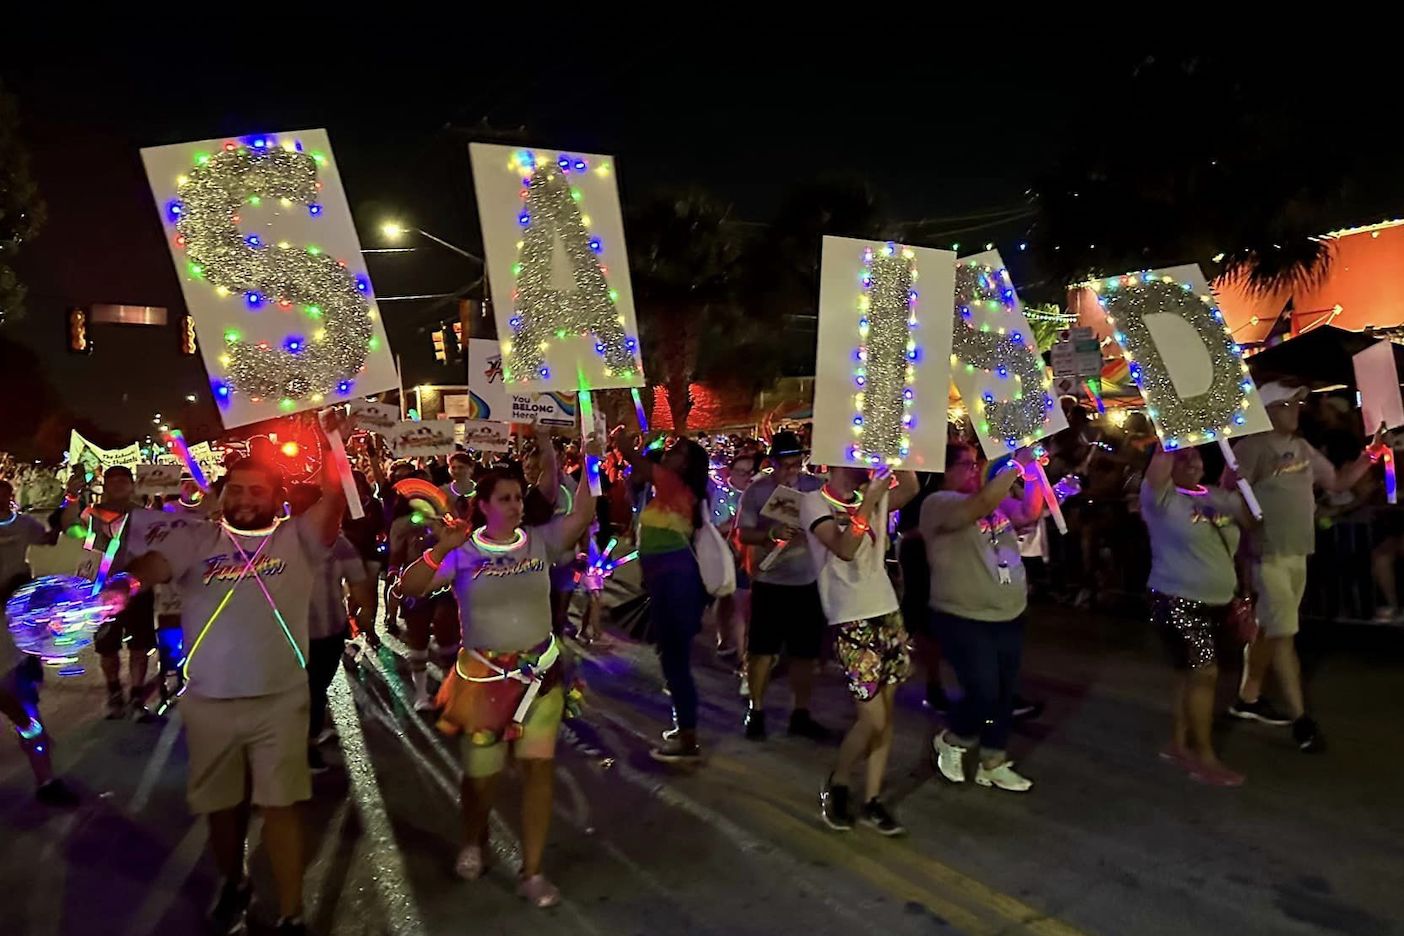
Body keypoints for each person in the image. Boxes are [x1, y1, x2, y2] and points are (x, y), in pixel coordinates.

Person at [120, 419, 349, 936]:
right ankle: (233, 881)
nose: (246, 499)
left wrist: (331, 438)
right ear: (223, 494)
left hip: (281, 700)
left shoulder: (299, 539)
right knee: (223, 808)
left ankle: (291, 913)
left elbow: (335, 495)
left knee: (281, 805)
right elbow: (152, 567)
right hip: (210, 700)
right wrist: (120, 586)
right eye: (237, 489)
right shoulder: (195, 539)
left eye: (258, 491)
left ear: (278, 498)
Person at [398, 459, 596, 909]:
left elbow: (582, 514)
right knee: (480, 778)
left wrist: (590, 458)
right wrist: (438, 551)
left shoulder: (541, 542)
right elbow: (408, 587)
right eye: (504, 498)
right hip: (483, 681)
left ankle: (532, 870)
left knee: (538, 770)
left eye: (518, 497)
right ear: (483, 505)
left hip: (539, 680)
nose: (514, 505)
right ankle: (474, 839)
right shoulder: (464, 552)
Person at [1229, 381, 1383, 752]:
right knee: (1283, 634)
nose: (1296, 409)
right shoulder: (1251, 447)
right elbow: (1231, 499)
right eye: (1286, 404)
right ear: (1266, 412)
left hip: (1298, 553)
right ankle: (1302, 720)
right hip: (1268, 556)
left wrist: (1373, 454)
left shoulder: (1301, 448)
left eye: (1297, 403)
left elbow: (1337, 481)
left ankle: (1247, 698)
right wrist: (1245, 524)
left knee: (1270, 628)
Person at [927, 444, 1045, 794]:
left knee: (1004, 694)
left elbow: (1029, 512)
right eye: (965, 465)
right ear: (944, 470)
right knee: (983, 691)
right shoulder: (940, 504)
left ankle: (993, 759)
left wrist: (1035, 470)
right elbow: (978, 507)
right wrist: (1017, 466)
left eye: (974, 464)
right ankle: (955, 736)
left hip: (1008, 613)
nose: (973, 469)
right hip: (964, 615)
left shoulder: (994, 501)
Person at [808, 464, 918, 834]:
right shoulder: (814, 503)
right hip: (851, 618)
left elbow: (912, 486)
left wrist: (900, 447)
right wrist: (868, 502)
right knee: (873, 719)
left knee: (886, 713)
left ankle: (872, 800)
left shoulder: (872, 498)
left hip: (887, 611)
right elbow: (845, 549)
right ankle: (838, 780)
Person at [1141, 443, 1254, 786]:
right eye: (1180, 456)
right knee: (1205, 673)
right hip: (1177, 600)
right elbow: (1160, 462)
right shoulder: (1160, 500)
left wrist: (1242, 487)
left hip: (1218, 600)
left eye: (1195, 454)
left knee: (1188, 674)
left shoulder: (1220, 496)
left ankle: (1179, 743)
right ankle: (1203, 757)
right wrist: (1170, 434)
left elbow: (1251, 524)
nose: (1191, 460)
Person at [613, 428, 714, 763]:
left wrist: (622, 439)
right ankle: (684, 726)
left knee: (676, 660)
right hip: (666, 582)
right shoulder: (669, 490)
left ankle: (688, 738)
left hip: (676, 582)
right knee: (672, 658)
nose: (669, 452)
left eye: (677, 451)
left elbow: (631, 457)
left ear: (685, 466)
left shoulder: (674, 485)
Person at [735, 431, 828, 740]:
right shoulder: (757, 491)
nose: (792, 471)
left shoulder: (814, 488)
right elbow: (742, 534)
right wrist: (769, 534)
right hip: (770, 581)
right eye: (786, 465)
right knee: (761, 650)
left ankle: (801, 712)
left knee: (805, 654)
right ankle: (756, 709)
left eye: (797, 463)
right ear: (772, 463)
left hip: (807, 580)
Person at [0, 478, 78, 806]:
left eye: (3, 495)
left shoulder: (26, 526)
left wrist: (68, 515)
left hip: (14, 630)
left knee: (28, 712)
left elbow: (53, 547)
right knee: (20, 711)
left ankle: (46, 779)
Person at [289, 484, 374, 767]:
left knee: (307, 689)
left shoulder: (333, 542)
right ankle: (303, 747)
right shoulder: (279, 539)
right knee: (310, 689)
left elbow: (358, 583)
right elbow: (359, 585)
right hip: (302, 632)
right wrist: (363, 614)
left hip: (318, 632)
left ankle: (304, 743)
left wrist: (363, 614)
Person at [70, 467, 160, 720]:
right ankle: (114, 694)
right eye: (113, 481)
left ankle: (136, 697)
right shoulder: (92, 513)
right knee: (107, 648)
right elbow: (71, 528)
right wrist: (71, 498)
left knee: (139, 647)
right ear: (105, 485)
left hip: (138, 589)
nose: (119, 485)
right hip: (103, 590)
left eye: (124, 480)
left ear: (132, 485)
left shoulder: (145, 515)